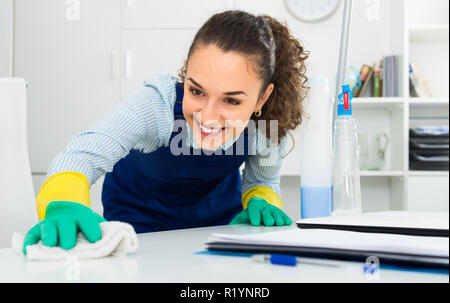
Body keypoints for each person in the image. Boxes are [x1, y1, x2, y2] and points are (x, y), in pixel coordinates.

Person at [22, 10, 309, 254]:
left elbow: (263, 180)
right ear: (186, 72)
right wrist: (63, 202)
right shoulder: (156, 106)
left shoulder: (270, 126)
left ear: (262, 98)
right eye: (196, 90)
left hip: (219, 220)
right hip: (139, 220)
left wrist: (261, 199)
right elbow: (83, 154)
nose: (207, 116)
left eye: (231, 100)